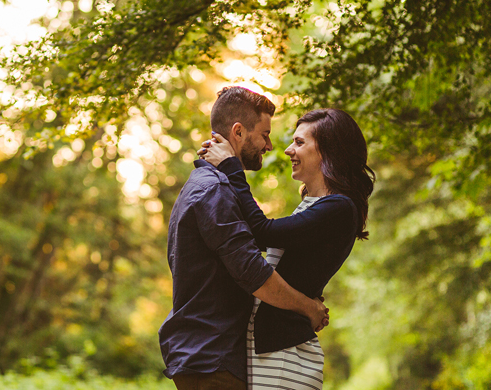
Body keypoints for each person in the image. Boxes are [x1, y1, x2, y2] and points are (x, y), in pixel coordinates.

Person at [159, 87, 329, 390]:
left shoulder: (203, 186)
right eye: (264, 134)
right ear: (238, 132)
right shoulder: (214, 190)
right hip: (214, 360)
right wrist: (308, 308)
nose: (268, 145)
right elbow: (253, 274)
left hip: (205, 355)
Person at [199, 106, 375, 390]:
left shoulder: (339, 207)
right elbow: (258, 240)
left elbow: (262, 232)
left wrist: (232, 167)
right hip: (273, 349)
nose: (287, 150)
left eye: (300, 142)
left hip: (286, 355)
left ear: (329, 151)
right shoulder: (316, 206)